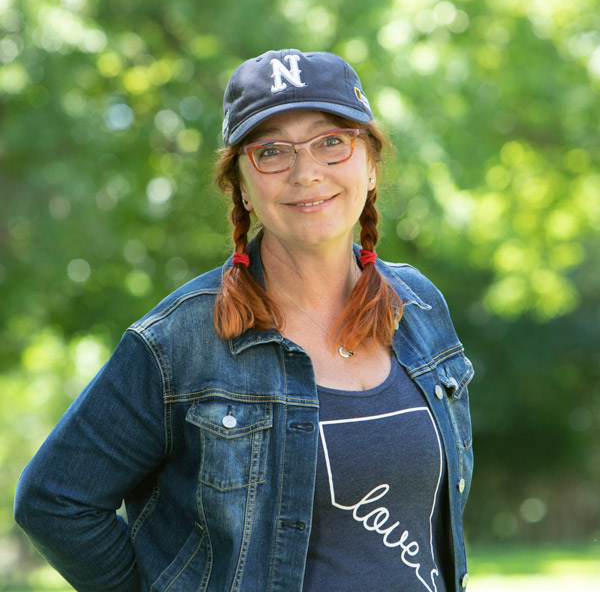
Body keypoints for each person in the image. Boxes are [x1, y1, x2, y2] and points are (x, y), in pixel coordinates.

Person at [14, 49, 474, 592]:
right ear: (240, 187)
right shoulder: (178, 341)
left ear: (370, 164)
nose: (307, 172)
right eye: (271, 152)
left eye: (332, 141)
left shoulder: (419, 307)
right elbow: (54, 500)